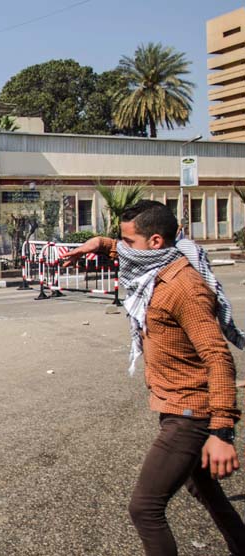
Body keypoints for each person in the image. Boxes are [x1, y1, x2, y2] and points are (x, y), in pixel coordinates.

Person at [63, 200, 245, 555]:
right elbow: (129, 250)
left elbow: (219, 358)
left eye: (128, 241)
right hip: (178, 408)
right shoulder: (156, 266)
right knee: (203, 488)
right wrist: (101, 243)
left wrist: (222, 432)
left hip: (189, 415)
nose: (123, 247)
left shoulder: (184, 287)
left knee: (145, 509)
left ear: (157, 242)